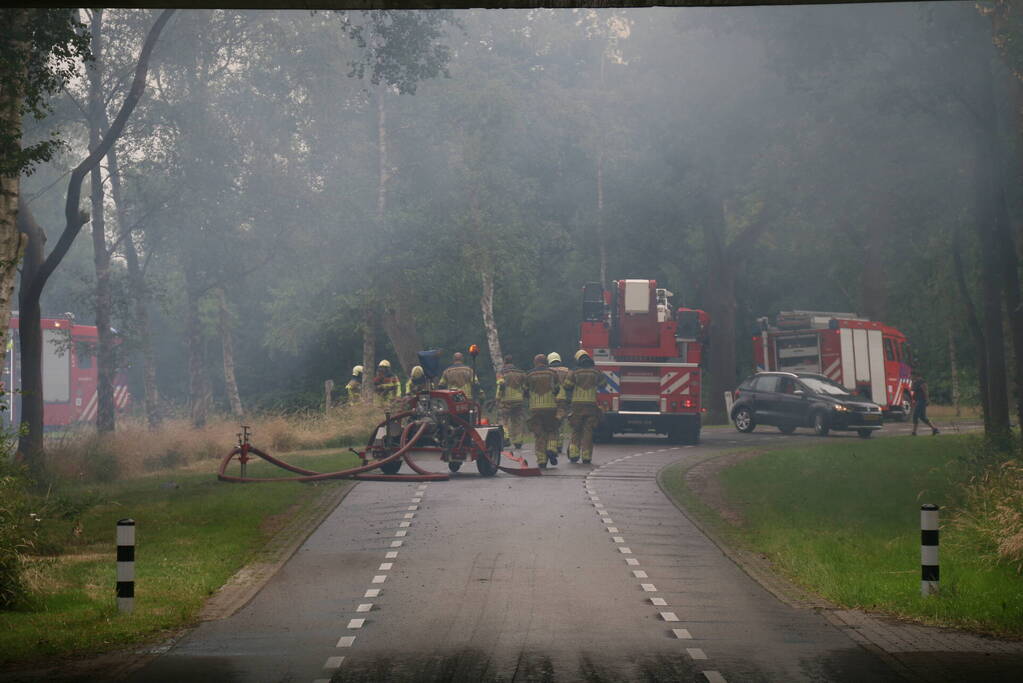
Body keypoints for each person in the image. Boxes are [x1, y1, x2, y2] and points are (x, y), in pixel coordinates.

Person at [564, 349, 607, 464]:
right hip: (591, 405)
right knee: (588, 430)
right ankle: (586, 456)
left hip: (577, 405)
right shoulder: (596, 372)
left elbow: (567, 386)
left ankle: (574, 454)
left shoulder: (574, 372)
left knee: (576, 429)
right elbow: (603, 384)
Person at [525, 353, 560, 468]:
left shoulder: (529, 374)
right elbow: (557, 388)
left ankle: (541, 461)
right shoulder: (553, 374)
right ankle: (551, 449)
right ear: (546, 362)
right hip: (550, 407)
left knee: (539, 434)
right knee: (552, 430)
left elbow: (525, 390)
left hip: (535, 408)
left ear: (535, 362)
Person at [496, 354, 527, 449]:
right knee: (517, 420)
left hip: (506, 400)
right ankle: (518, 441)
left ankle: (506, 437)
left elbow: (500, 385)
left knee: (504, 419)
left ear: (505, 362)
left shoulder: (501, 373)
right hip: (518, 400)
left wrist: (497, 398)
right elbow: (525, 387)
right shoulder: (520, 372)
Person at [547, 352, 571, 456]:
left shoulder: (547, 371)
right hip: (563, 399)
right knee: (561, 423)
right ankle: (559, 445)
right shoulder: (566, 371)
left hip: (551, 399)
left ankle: (551, 444)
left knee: (552, 422)